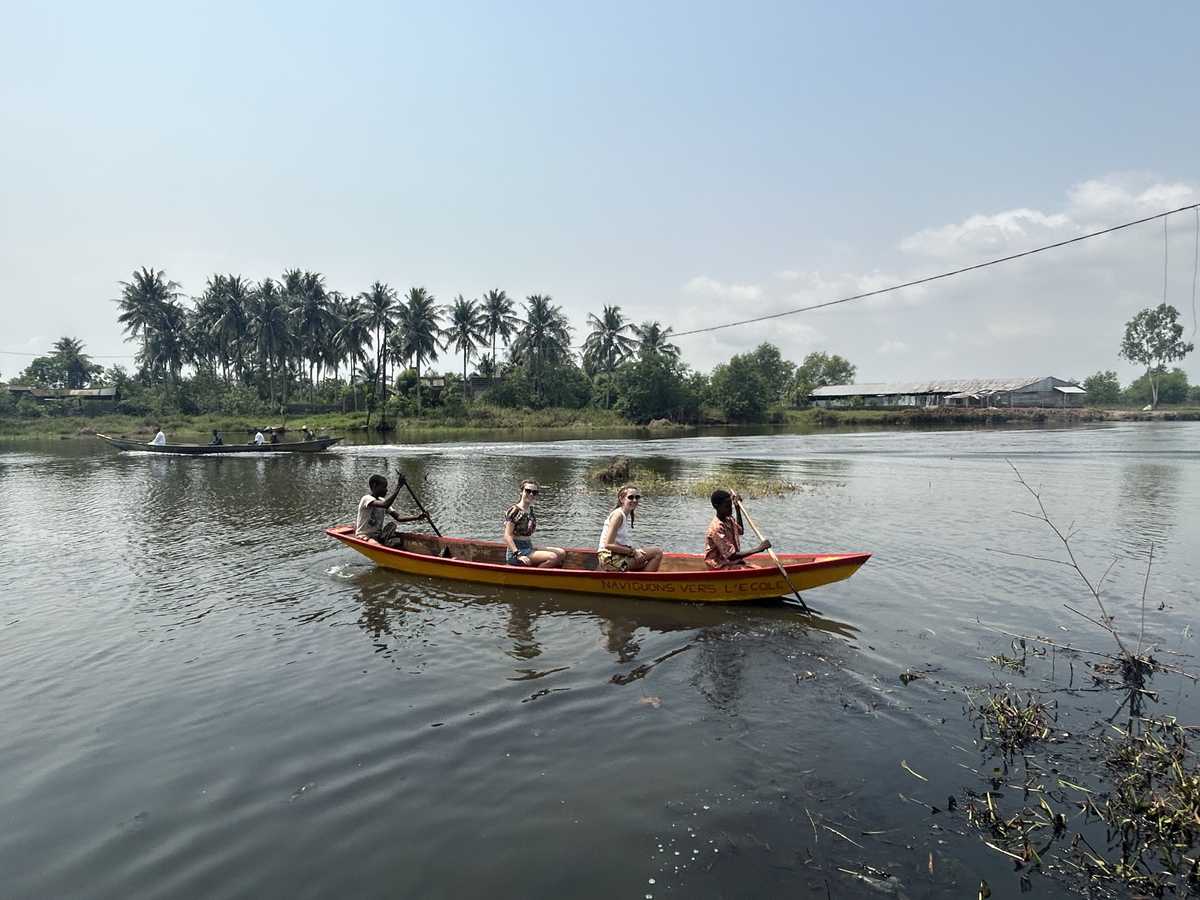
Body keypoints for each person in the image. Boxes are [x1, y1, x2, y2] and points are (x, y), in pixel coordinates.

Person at [597, 484, 662, 571]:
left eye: (637, 497)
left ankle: (630, 579)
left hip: (613, 557)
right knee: (657, 552)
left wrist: (634, 551)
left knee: (643, 562)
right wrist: (633, 552)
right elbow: (608, 544)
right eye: (630, 497)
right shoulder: (618, 515)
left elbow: (618, 542)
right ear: (621, 499)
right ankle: (642, 583)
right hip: (609, 560)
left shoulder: (623, 514)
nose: (634, 500)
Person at [503, 480, 565, 567]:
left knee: (561, 553)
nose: (531, 494)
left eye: (534, 492)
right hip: (517, 551)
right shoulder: (514, 511)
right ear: (521, 492)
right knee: (553, 557)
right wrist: (518, 554)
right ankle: (535, 577)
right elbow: (507, 536)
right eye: (528, 491)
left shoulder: (530, 510)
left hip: (528, 546)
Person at [704, 489, 770, 570]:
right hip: (718, 565)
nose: (730, 509)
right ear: (716, 506)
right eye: (727, 506)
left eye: (730, 505)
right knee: (756, 572)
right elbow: (731, 556)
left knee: (758, 568)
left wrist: (737, 508)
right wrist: (758, 549)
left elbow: (740, 530)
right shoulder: (716, 528)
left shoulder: (729, 519)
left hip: (730, 561)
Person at [356, 474, 428, 546]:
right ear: (374, 486)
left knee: (392, 526)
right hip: (365, 536)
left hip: (378, 535)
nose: (386, 490)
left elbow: (399, 518)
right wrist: (398, 486)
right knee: (379, 546)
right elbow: (385, 504)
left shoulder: (382, 500)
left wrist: (417, 517)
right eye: (384, 487)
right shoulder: (366, 498)